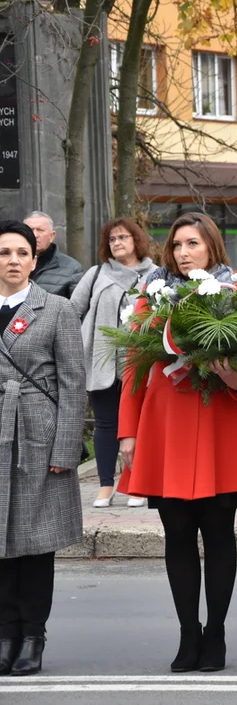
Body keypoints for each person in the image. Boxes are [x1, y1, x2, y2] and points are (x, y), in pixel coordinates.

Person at [117, 213, 237, 673]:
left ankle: (217, 633)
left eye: (194, 244)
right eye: (178, 245)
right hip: (166, 427)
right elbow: (134, 366)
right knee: (178, 534)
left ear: (212, 248)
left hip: (221, 422)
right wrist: (127, 431)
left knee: (219, 532)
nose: (184, 253)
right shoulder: (151, 296)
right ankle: (189, 633)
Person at [0, 220, 87, 676]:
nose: (12, 260)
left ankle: (32, 634)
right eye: (4, 253)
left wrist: (65, 450)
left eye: (21, 253)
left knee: (36, 542)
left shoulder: (55, 309)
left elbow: (75, 384)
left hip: (38, 432)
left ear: (35, 260)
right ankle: (4, 632)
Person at [69, 218, 157, 509]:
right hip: (101, 363)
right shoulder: (96, 274)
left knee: (142, 426)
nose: (117, 243)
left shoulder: (156, 275)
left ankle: (136, 484)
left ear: (136, 240)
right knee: (106, 425)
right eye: (111, 239)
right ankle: (106, 485)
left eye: (123, 237)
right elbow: (71, 312)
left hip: (141, 364)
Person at [25, 212, 83, 298]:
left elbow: (77, 307)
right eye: (30, 230)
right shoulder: (10, 263)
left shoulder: (72, 268)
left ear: (52, 236)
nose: (35, 235)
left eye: (40, 230)